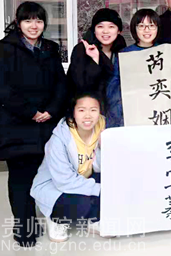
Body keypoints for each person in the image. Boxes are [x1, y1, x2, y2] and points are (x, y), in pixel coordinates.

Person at [0, 1, 67, 247]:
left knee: (45, 174)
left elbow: (60, 83)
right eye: (28, 20)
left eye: (39, 21)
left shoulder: (50, 48)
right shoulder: (4, 49)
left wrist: (51, 110)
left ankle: (47, 219)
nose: (34, 25)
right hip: (15, 123)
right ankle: (24, 228)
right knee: (21, 177)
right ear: (18, 23)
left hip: (46, 123)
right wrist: (31, 112)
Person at [31, 92, 106, 242]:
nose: (88, 115)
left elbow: (103, 167)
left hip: (83, 177)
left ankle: (93, 220)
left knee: (115, 183)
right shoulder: (59, 139)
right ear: (73, 112)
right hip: (56, 185)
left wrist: (102, 147)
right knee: (82, 203)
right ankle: (55, 220)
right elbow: (64, 181)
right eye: (81, 110)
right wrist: (100, 189)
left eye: (93, 110)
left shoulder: (102, 128)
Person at [106, 9, 161, 128]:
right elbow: (114, 85)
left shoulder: (165, 52)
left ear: (158, 28)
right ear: (134, 29)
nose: (146, 30)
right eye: (141, 26)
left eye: (151, 26)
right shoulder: (125, 54)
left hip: (157, 112)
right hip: (131, 112)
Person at [67, 8, 126, 111]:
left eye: (111, 27)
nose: (105, 31)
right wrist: (95, 60)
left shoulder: (122, 50)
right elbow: (81, 86)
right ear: (94, 30)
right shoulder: (81, 50)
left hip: (114, 111)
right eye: (100, 26)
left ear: (119, 31)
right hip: (87, 111)